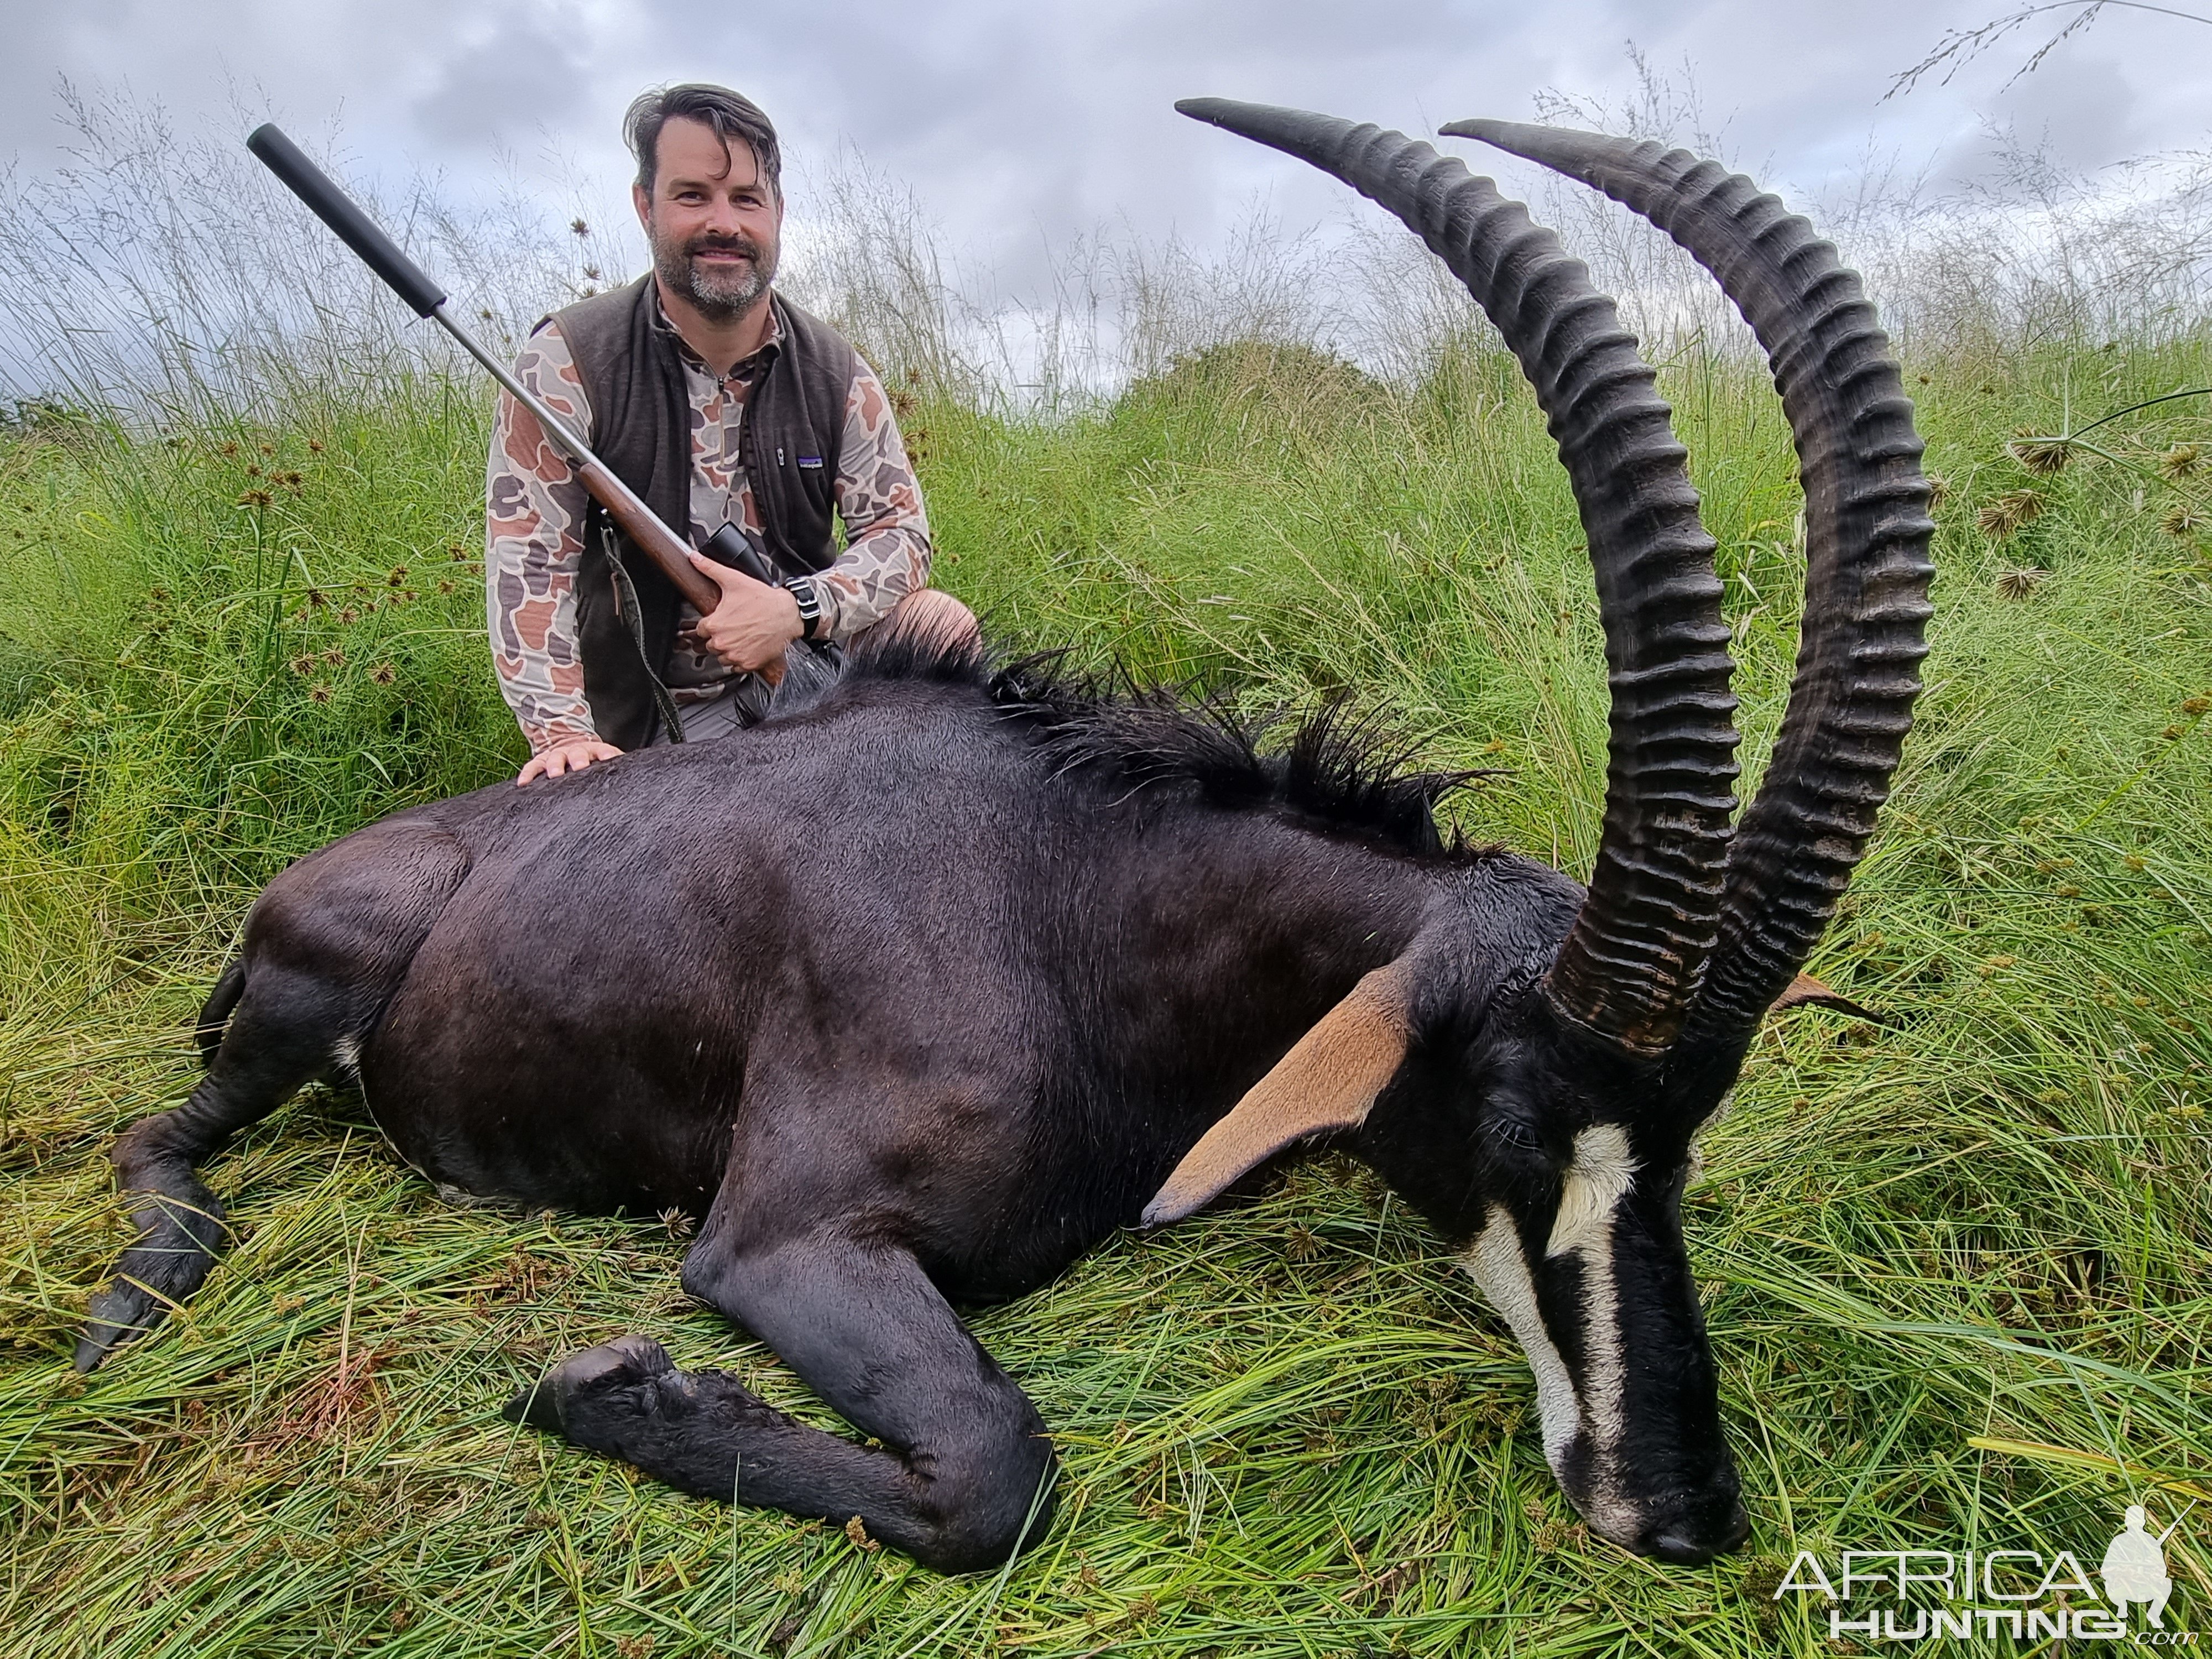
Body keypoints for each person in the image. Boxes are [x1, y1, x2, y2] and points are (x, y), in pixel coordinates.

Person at [486, 83, 976, 784]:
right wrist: (561, 731)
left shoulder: (837, 370)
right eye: (692, 196)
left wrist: (796, 610)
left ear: (776, 211)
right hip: (648, 711)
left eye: (746, 198)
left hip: (806, 674)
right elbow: (531, 565)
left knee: (941, 626)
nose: (725, 222)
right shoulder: (568, 359)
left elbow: (903, 539)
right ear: (644, 205)